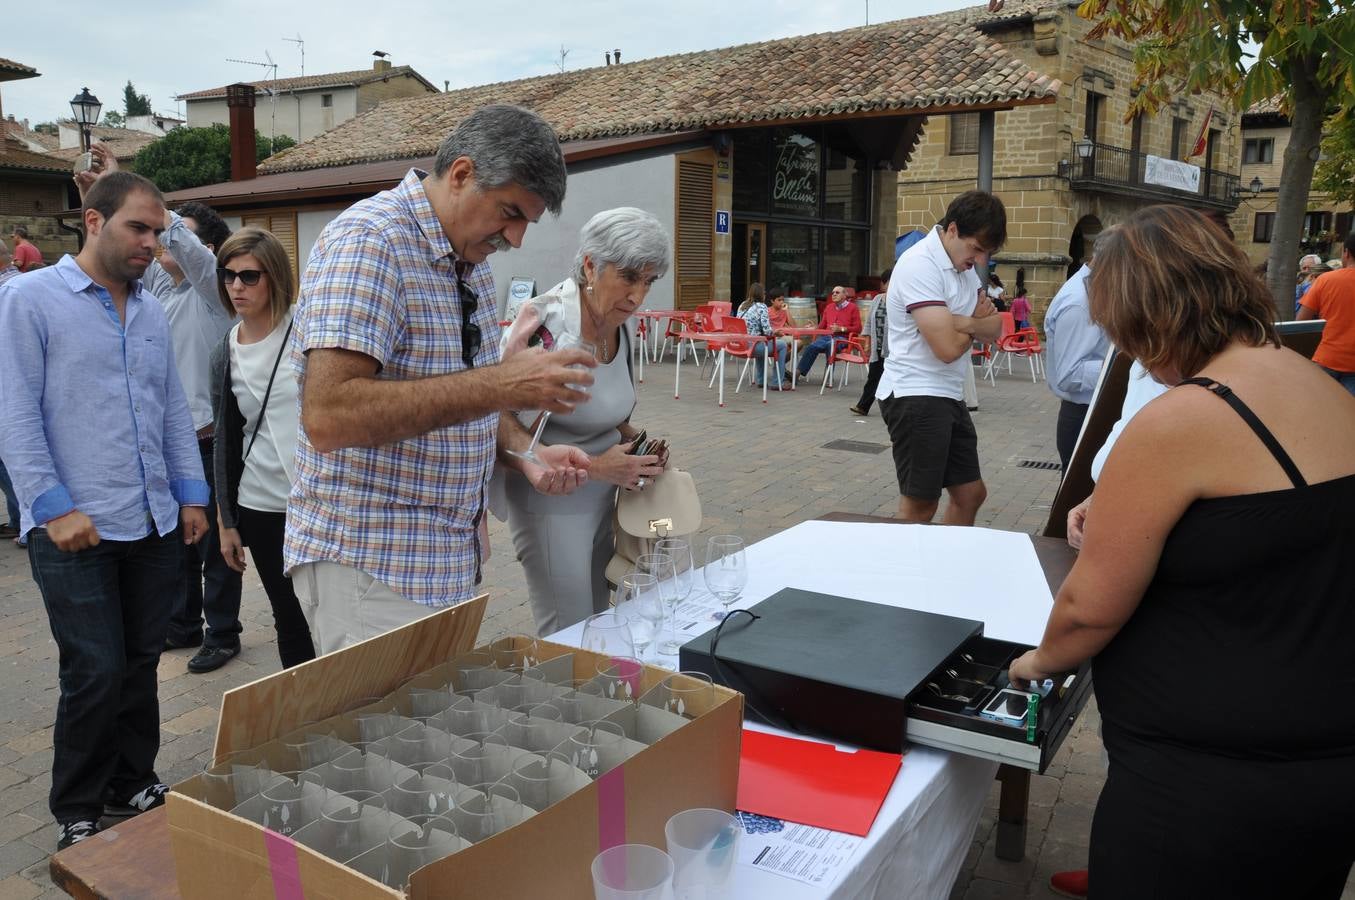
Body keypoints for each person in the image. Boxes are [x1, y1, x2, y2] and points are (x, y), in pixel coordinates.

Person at [1010, 205, 1355, 900]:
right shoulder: (1311, 379)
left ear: (1147, 317)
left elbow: (1087, 609)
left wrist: (1031, 662)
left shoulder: (1184, 416)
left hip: (1206, 787)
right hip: (1320, 763)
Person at [285, 104, 596, 655]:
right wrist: (505, 384)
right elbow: (328, 415)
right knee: (384, 742)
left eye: (527, 221)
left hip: (437, 561)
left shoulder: (466, 256)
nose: (517, 238)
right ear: (460, 174)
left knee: (424, 741)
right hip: (373, 564)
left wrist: (525, 452)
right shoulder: (370, 242)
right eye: (510, 212)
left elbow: (458, 396)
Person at [0, 171, 210, 850]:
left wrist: (191, 493)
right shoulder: (30, 299)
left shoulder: (150, 306)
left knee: (142, 657)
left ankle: (131, 778)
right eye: (138, 228)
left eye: (158, 230)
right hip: (73, 527)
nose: (151, 242)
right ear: (94, 222)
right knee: (93, 666)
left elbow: (171, 407)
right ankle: (77, 805)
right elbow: (13, 413)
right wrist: (52, 506)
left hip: (151, 518)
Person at [499, 208, 670, 635]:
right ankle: (559, 703)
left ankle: (593, 701)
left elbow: (611, 414)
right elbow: (495, 423)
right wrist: (598, 466)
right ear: (591, 264)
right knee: (568, 633)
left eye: (649, 281)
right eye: (629, 276)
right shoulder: (548, 327)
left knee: (599, 622)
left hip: (602, 499)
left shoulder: (620, 325)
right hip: (552, 504)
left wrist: (641, 448)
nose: (638, 296)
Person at [211, 228, 317, 669]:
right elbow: (226, 438)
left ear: (274, 275)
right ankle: (305, 718)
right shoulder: (226, 350)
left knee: (332, 612)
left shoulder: (310, 328)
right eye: (228, 275)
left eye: (249, 276)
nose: (236, 286)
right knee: (289, 617)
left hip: (321, 499)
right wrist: (226, 521)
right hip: (262, 505)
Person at [876, 190, 1005, 524]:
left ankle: (944, 564)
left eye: (985, 253)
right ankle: (906, 573)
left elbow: (995, 328)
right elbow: (946, 350)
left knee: (971, 494)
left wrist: (960, 321)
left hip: (946, 393)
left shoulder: (959, 267)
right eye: (976, 248)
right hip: (916, 393)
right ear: (952, 229)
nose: (979, 261)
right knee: (920, 505)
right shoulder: (920, 264)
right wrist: (974, 325)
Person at [1045, 229, 1114, 470]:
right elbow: (1069, 374)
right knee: (1076, 502)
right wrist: (1121, 366)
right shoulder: (1079, 303)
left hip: (1093, 412)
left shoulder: (1095, 292)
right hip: (1084, 416)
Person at [1297, 230, 1355, 396]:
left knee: (1318, 411)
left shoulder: (1326, 280)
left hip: (1327, 358)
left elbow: (1301, 321)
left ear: (1346, 253)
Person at [849, 269, 893, 416]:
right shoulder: (877, 299)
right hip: (877, 346)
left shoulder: (900, 300)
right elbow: (868, 323)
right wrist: (867, 343)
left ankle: (893, 409)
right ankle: (863, 406)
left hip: (893, 349)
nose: (887, 285)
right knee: (873, 377)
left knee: (892, 379)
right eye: (886, 282)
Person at [795, 285, 861, 379]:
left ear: (844, 295)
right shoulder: (829, 307)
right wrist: (814, 327)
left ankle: (828, 376)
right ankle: (797, 374)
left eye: (837, 293)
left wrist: (841, 329)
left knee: (831, 344)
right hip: (827, 337)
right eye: (833, 293)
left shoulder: (853, 308)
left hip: (843, 338)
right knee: (812, 346)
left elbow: (858, 328)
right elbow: (821, 327)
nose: (834, 294)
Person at [738, 282, 790, 389]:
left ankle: (761, 380)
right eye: (764, 293)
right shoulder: (762, 307)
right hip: (753, 347)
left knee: (761, 341)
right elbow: (767, 331)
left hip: (740, 345)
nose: (765, 295)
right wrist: (776, 332)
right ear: (761, 294)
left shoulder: (742, 305)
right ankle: (777, 382)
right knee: (782, 345)